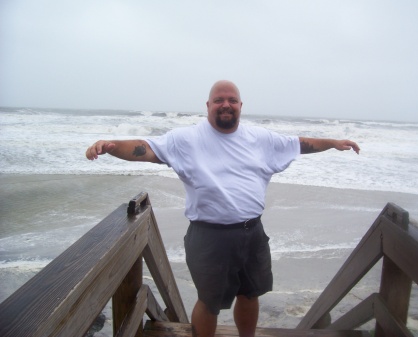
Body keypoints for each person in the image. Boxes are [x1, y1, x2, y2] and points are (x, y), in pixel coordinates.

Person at [85, 80, 360, 337]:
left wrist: (333, 143)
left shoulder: (260, 138)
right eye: (219, 100)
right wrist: (111, 146)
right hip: (209, 237)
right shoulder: (186, 139)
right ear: (208, 106)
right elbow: (145, 148)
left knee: (250, 294)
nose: (226, 104)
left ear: (241, 106)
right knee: (209, 302)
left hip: (252, 232)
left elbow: (299, 144)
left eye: (232, 100)